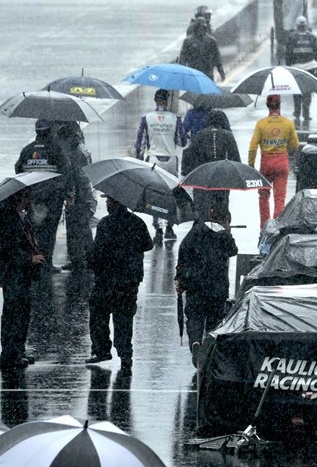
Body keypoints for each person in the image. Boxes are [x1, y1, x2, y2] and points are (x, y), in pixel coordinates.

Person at [86, 194, 153, 372]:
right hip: (128, 280)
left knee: (99, 314)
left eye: (109, 200)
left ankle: (101, 350)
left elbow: (97, 252)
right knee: (124, 319)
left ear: (115, 203)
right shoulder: (137, 223)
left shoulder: (105, 224)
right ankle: (125, 355)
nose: (107, 203)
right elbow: (148, 244)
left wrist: (91, 260)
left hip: (106, 280)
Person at [176, 207, 237, 366]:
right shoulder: (223, 236)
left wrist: (180, 279)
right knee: (214, 320)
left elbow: (183, 254)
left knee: (195, 317)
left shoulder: (195, 231)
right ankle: (208, 351)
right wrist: (227, 231)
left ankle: (195, 342)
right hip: (217, 287)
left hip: (195, 285)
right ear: (224, 220)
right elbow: (233, 251)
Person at [14, 119, 74, 271]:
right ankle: (46, 263)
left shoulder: (27, 150)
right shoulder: (56, 149)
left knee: (32, 229)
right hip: (52, 198)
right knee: (49, 230)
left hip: (31, 197)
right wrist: (65, 192)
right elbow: (67, 171)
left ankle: (33, 260)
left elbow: (18, 168)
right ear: (50, 132)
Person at [0, 189, 44, 369]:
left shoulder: (19, 216)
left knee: (22, 312)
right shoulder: (8, 218)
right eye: (28, 197)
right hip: (13, 272)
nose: (31, 201)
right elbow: (8, 248)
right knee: (14, 312)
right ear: (20, 197)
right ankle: (10, 354)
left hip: (21, 273)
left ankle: (17, 350)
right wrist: (29, 259)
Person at [135, 89, 184, 243]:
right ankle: (170, 227)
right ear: (167, 101)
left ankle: (157, 228)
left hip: (153, 160)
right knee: (171, 194)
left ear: (155, 101)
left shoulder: (146, 118)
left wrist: (139, 158)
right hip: (171, 161)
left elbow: (139, 144)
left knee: (154, 195)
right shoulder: (175, 119)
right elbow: (182, 141)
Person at [248, 95, 298, 228]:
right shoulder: (287, 123)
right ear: (280, 105)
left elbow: (253, 146)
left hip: (266, 163)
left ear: (267, 105)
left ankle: (264, 226)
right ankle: (277, 226)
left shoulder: (261, 123)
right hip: (282, 162)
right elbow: (295, 145)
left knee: (263, 196)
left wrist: (251, 164)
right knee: (279, 198)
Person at [182, 109, 240, 221]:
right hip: (221, 179)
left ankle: (202, 229)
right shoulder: (228, 136)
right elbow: (236, 160)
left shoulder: (199, 135)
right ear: (223, 122)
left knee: (201, 212)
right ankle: (221, 228)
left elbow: (189, 157)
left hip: (202, 178)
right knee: (221, 211)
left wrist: (189, 175)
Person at [56, 122, 95, 272]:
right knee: (84, 228)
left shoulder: (73, 153)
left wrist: (70, 194)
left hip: (79, 195)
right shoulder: (83, 149)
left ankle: (78, 260)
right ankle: (88, 259)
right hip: (85, 194)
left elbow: (73, 175)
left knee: (74, 229)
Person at [285, 16, 317, 124]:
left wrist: (288, 67)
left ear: (296, 26)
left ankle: (297, 112)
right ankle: (306, 113)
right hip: (310, 67)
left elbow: (288, 54)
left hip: (296, 68)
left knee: (296, 91)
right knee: (307, 92)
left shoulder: (292, 37)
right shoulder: (312, 37)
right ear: (306, 25)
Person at [177, 17, 225, 81]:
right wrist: (182, 72)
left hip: (207, 72)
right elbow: (183, 57)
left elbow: (217, 58)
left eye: (202, 28)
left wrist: (221, 72)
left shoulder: (211, 41)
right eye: (199, 28)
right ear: (195, 28)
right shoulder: (188, 41)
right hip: (193, 72)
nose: (201, 30)